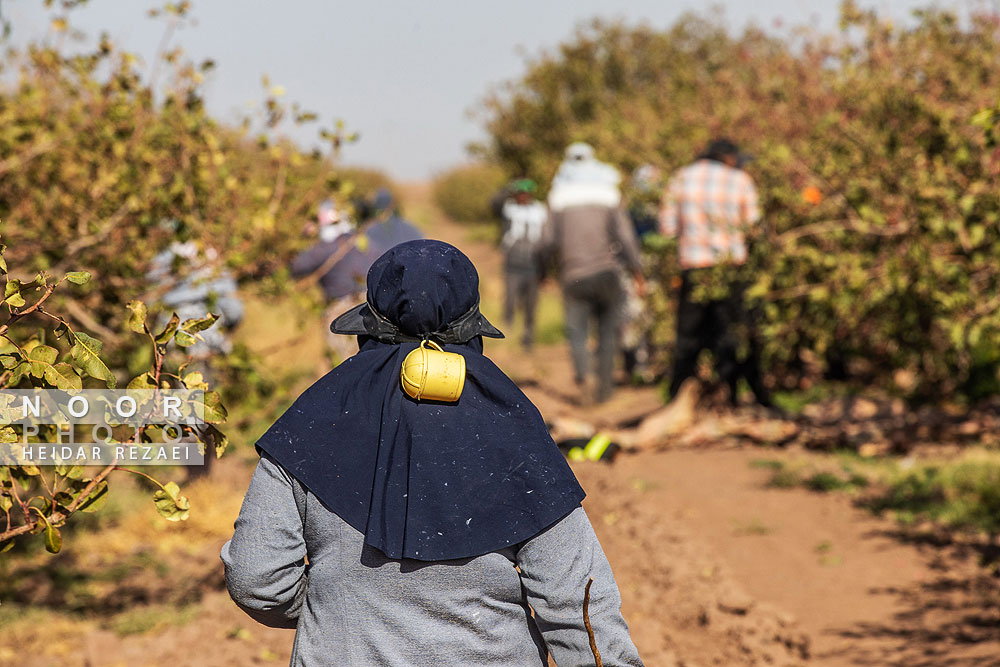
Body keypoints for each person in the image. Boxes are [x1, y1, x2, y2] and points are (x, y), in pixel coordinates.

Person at [222, 240, 643, 666]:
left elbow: (256, 577)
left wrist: (332, 609)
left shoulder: (310, 423)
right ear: (473, 330)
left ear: (366, 328)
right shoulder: (514, 431)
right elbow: (579, 601)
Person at [659, 138, 772, 407]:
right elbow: (755, 227)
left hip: (694, 269)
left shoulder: (680, 179)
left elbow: (667, 228)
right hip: (731, 269)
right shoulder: (740, 180)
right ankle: (729, 398)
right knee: (730, 335)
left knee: (688, 338)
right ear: (728, 158)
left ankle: (677, 400)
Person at [543, 142, 645, 403]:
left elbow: (547, 240)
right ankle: (605, 389)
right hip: (608, 272)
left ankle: (584, 374)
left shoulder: (558, 196)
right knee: (608, 331)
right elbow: (625, 236)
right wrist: (637, 269)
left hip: (573, 274)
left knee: (577, 330)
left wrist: (545, 272)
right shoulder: (608, 193)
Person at [290, 191, 423, 365]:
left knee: (343, 366)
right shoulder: (368, 243)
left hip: (342, 312)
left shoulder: (326, 248)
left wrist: (301, 238)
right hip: (374, 310)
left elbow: (294, 267)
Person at [499, 178, 547, 348]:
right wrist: (506, 189)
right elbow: (493, 203)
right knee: (510, 301)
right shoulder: (509, 210)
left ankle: (528, 336)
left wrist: (544, 269)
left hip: (533, 266)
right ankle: (507, 334)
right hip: (513, 265)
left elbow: (545, 241)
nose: (522, 197)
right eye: (519, 194)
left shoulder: (540, 211)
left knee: (530, 305)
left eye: (525, 193)